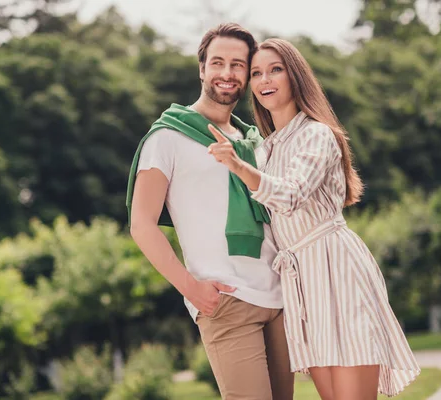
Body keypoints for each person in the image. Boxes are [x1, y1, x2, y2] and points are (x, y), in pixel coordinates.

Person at [207, 38, 421, 400]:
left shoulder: (317, 134)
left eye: (276, 69)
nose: (264, 80)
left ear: (296, 76)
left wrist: (237, 166)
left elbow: (289, 195)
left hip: (337, 269)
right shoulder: (264, 149)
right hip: (300, 285)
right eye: (256, 72)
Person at [127, 25, 294, 400]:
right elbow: (141, 224)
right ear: (201, 69)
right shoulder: (167, 137)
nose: (227, 73)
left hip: (279, 298)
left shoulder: (253, 141)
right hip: (228, 299)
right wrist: (192, 289)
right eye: (217, 62)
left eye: (239, 65)